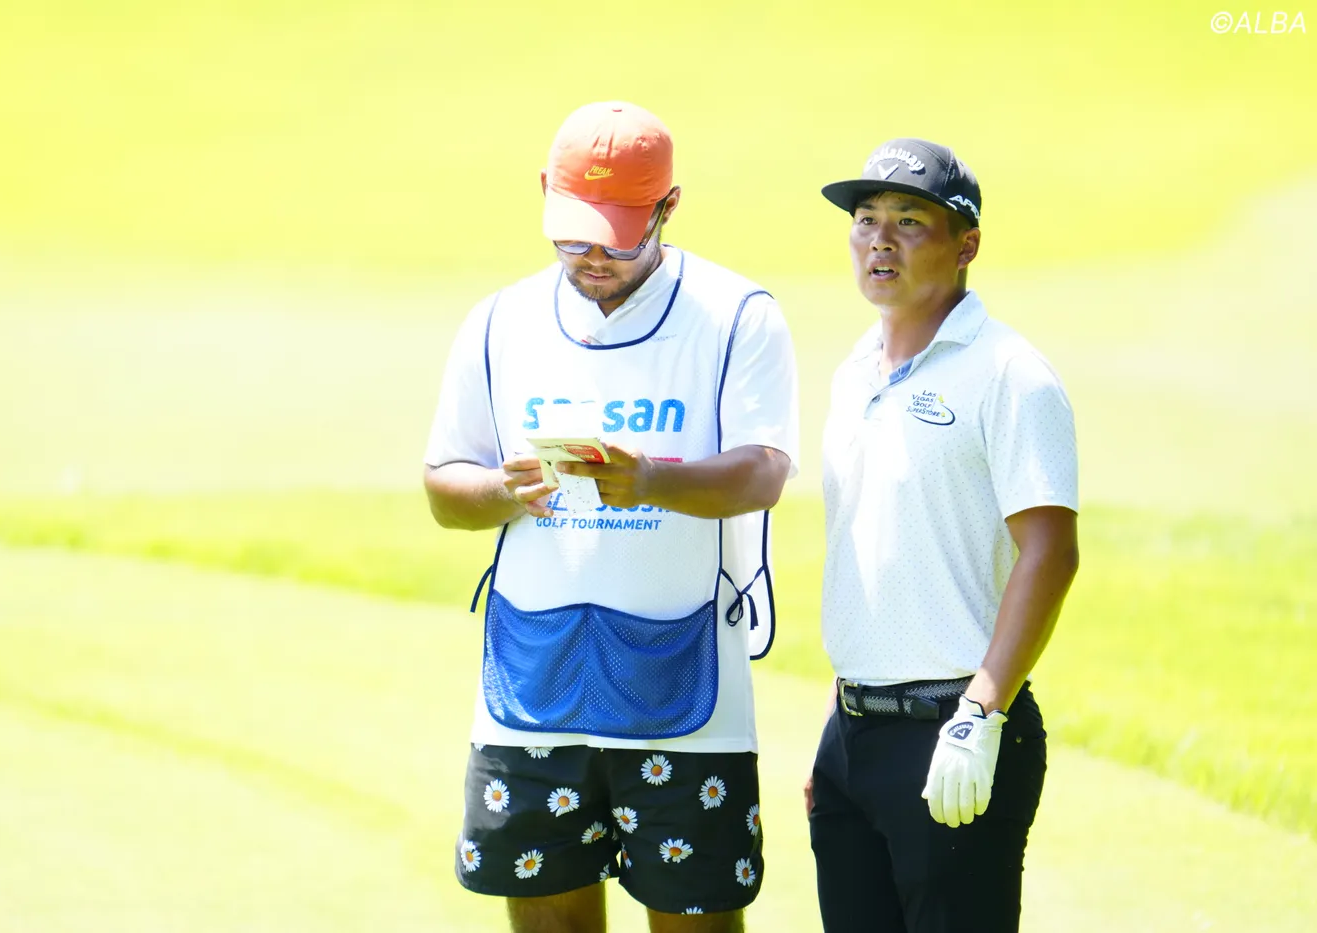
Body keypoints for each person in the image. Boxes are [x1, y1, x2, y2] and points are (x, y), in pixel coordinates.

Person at [422, 100, 799, 933]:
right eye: (572, 235)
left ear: (669, 207)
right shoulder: (498, 321)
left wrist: (652, 481)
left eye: (620, 237)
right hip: (531, 687)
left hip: (688, 699)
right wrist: (500, 493)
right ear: (543, 193)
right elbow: (443, 484)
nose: (593, 256)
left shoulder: (736, 315)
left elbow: (765, 471)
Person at [805, 138, 1080, 933]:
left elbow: (1050, 550)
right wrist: (838, 729)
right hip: (854, 732)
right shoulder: (853, 371)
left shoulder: (1009, 373)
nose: (879, 241)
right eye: (865, 219)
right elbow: (876, 556)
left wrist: (980, 715)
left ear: (967, 245)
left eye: (909, 221)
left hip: (955, 727)